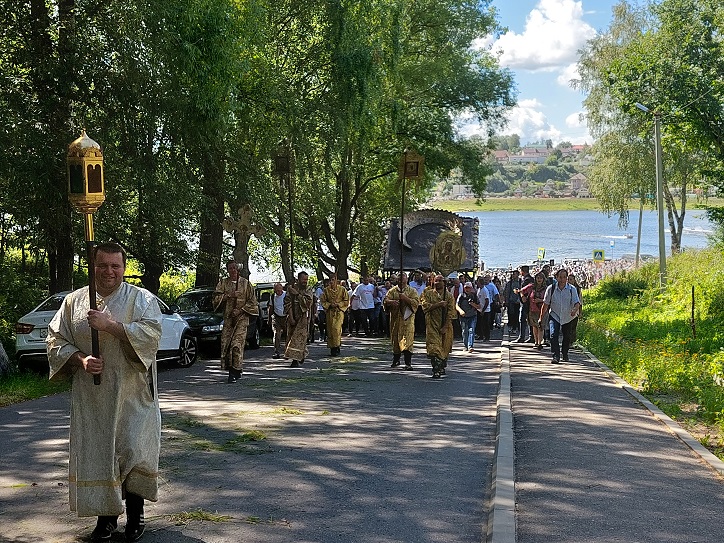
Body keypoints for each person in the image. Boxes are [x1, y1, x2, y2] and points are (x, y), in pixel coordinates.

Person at [47, 242, 162, 542]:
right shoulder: (74, 302)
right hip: (93, 398)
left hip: (132, 394)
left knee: (133, 451)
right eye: (102, 265)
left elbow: (151, 335)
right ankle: (106, 519)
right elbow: (55, 339)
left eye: (115, 266)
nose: (109, 271)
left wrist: (112, 326)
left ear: (124, 267)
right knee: (101, 454)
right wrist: (80, 359)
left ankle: (136, 517)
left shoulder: (141, 300)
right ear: (92, 266)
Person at [213, 260, 259, 383]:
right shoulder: (223, 283)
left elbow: (253, 302)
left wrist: (241, 310)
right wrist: (229, 296)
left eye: (234, 268)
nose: (233, 270)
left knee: (236, 345)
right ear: (227, 270)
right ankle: (233, 369)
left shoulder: (246, 284)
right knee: (227, 345)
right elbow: (215, 299)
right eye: (230, 268)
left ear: (237, 269)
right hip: (228, 320)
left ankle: (234, 371)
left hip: (242, 319)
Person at [541, 268, 581, 364]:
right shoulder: (551, 288)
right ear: (556, 277)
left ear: (567, 278)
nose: (562, 279)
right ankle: (556, 356)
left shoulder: (572, 289)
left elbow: (577, 303)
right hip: (554, 315)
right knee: (553, 334)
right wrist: (541, 317)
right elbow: (545, 304)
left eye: (564, 277)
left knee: (567, 336)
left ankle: (565, 353)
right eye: (560, 277)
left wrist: (574, 310)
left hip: (568, 316)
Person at [421, 274, 456, 378]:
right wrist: (438, 305)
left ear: (444, 283)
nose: (438, 283)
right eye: (436, 281)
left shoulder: (449, 296)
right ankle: (435, 369)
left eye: (440, 281)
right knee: (434, 347)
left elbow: (451, 312)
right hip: (432, 324)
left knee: (444, 347)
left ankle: (441, 366)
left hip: (445, 325)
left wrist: (445, 326)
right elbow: (424, 306)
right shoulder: (428, 293)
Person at [383, 272, 419, 369]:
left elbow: (416, 303)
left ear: (407, 279)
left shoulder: (412, 291)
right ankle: (396, 359)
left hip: (407, 319)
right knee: (395, 339)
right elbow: (385, 300)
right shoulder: (392, 291)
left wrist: (406, 299)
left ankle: (408, 363)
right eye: (399, 278)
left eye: (403, 277)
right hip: (395, 319)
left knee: (407, 340)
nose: (401, 280)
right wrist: (391, 302)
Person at [284, 271, 314, 367]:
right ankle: (300, 355)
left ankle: (295, 360)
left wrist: (297, 295)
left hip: (303, 318)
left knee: (299, 338)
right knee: (291, 337)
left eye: (306, 280)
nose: (305, 281)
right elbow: (287, 303)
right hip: (292, 316)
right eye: (303, 279)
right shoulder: (292, 288)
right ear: (298, 279)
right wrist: (291, 316)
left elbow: (308, 303)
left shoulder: (308, 289)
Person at [320, 273, 350, 356]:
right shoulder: (326, 290)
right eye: (330, 280)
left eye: (333, 280)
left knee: (336, 329)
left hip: (338, 312)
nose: (332, 282)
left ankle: (337, 346)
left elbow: (346, 300)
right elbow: (323, 301)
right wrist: (329, 305)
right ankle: (332, 348)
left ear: (336, 280)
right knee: (330, 330)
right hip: (330, 313)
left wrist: (339, 304)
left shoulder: (342, 289)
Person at [519, 272, 548, 350]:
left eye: (541, 278)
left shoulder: (546, 288)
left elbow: (548, 299)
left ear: (543, 279)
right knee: (534, 326)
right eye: (538, 278)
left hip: (542, 310)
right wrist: (523, 297)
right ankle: (536, 341)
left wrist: (540, 300)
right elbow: (521, 291)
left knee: (541, 326)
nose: (539, 280)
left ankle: (540, 342)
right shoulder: (531, 287)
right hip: (532, 309)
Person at [456, 281, 481, 353]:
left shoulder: (474, 296)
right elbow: (456, 305)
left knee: (471, 330)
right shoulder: (461, 296)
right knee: (464, 331)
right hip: (463, 316)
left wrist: (473, 305)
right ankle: (465, 346)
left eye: (469, 288)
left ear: (471, 288)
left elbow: (479, 306)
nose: (467, 289)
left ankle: (470, 346)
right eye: (466, 288)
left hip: (472, 316)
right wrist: (460, 311)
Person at [269, 282, 286, 358]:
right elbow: (271, 308)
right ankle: (277, 352)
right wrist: (269, 319)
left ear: (282, 288)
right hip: (276, 317)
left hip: (286, 317)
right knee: (276, 334)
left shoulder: (286, 295)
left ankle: (288, 351)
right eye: (276, 291)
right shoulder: (273, 297)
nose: (278, 292)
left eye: (279, 290)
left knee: (288, 334)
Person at [502, 270, 521, 336]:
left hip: (518, 302)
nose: (513, 275)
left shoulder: (520, 282)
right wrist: (506, 301)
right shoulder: (509, 283)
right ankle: (511, 326)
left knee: (517, 315)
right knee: (511, 314)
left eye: (515, 274)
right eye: (513, 274)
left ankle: (515, 327)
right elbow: (506, 292)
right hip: (511, 301)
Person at [567, 272, 583, 344]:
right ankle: (567, 341)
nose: (569, 281)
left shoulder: (577, 289)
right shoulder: (565, 288)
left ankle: (572, 342)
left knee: (573, 327)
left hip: (575, 311)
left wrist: (580, 312)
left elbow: (580, 301)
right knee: (567, 327)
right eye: (568, 279)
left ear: (574, 280)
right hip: (566, 311)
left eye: (570, 279)